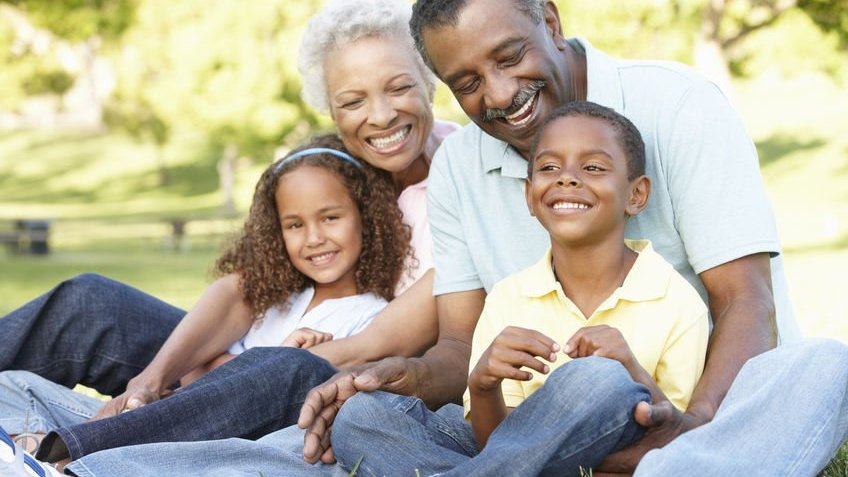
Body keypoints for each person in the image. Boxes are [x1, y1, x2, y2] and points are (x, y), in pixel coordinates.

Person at [299, 0, 848, 474]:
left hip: (705, 411)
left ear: (551, 22)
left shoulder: (679, 105)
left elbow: (746, 300)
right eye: (466, 84)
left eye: (510, 56)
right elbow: (463, 349)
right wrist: (412, 375)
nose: (501, 93)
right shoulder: (459, 168)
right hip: (529, 422)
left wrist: (692, 423)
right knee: (366, 419)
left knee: (823, 368)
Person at [0, 0, 458, 469]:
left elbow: (381, 344)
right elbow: (247, 286)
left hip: (340, 383)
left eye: (399, 87)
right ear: (331, 109)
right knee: (92, 302)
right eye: (352, 101)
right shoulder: (343, 166)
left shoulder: (461, 178)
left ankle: (62, 456)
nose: (379, 116)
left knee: (288, 367)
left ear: (429, 81)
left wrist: (239, 370)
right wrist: (155, 378)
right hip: (258, 355)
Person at [332, 101, 711, 476]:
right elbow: (497, 442)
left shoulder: (676, 302)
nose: (567, 178)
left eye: (593, 167)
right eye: (549, 167)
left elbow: (676, 440)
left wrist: (629, 369)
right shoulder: (509, 297)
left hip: (617, 458)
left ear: (636, 194)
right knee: (362, 416)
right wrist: (482, 384)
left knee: (599, 378)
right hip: (509, 460)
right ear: (530, 195)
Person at [0, 133, 412, 465]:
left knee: (287, 364)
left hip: (189, 443)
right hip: (156, 417)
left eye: (330, 218)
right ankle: (31, 443)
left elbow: (262, 395)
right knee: (19, 377)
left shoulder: (369, 316)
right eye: (294, 225)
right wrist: (216, 368)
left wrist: (234, 365)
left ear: (367, 218)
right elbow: (200, 377)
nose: (314, 238)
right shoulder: (275, 300)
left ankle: (50, 453)